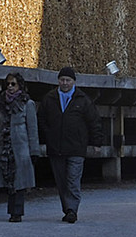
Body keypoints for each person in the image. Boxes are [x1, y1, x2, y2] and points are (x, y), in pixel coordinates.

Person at [36, 66, 104, 223]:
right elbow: (41, 119)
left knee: (73, 180)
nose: (65, 83)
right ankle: (67, 208)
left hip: (76, 147)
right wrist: (48, 134)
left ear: (74, 82)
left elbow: (94, 121)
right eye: (62, 80)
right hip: (56, 147)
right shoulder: (50, 99)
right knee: (61, 182)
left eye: (68, 80)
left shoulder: (83, 100)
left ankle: (72, 210)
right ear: (58, 81)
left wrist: (97, 142)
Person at [0, 72, 41, 221]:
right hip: (4, 148)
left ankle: (17, 212)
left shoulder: (27, 104)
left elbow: (32, 130)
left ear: (19, 85)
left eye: (13, 84)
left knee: (20, 181)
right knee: (8, 179)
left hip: (21, 148)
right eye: (8, 84)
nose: (10, 87)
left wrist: (34, 151)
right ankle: (12, 210)